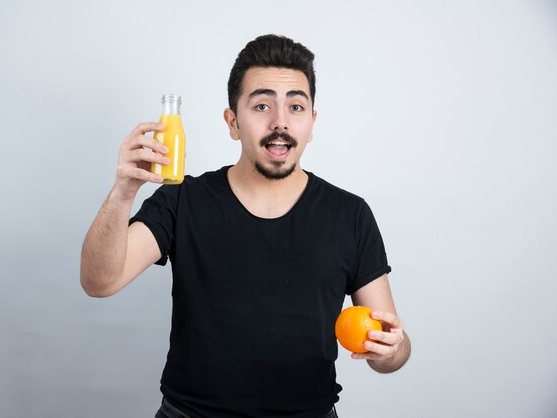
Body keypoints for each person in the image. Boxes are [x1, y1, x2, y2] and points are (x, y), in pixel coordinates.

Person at [80, 34, 411, 418]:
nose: (280, 123)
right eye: (262, 106)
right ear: (232, 122)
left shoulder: (350, 215)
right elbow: (99, 282)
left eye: (296, 107)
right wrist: (124, 192)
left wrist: (391, 349)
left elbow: (390, 354)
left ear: (312, 122)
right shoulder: (183, 201)